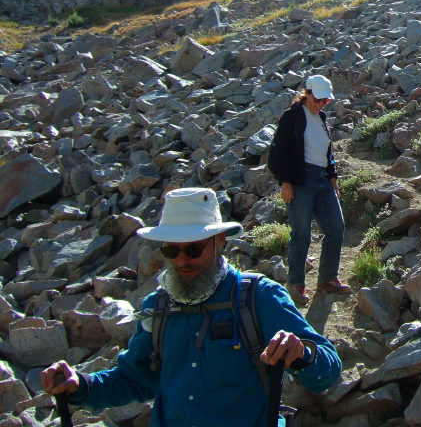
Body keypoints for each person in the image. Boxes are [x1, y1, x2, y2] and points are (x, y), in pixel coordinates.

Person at [41, 187, 342, 427]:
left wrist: (302, 354)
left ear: (220, 239)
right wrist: (80, 386)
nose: (182, 260)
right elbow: (135, 379)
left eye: (194, 249)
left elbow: (328, 371)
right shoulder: (156, 307)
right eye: (172, 250)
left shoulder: (258, 297)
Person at [269, 74, 350, 306]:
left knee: (336, 227)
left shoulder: (322, 118)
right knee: (302, 232)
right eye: (319, 99)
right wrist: (285, 181)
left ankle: (327, 278)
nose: (322, 104)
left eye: (326, 101)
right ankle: (295, 283)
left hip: (322, 179)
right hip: (299, 179)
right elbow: (280, 150)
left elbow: (328, 152)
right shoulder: (292, 116)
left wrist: (333, 177)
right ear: (307, 93)